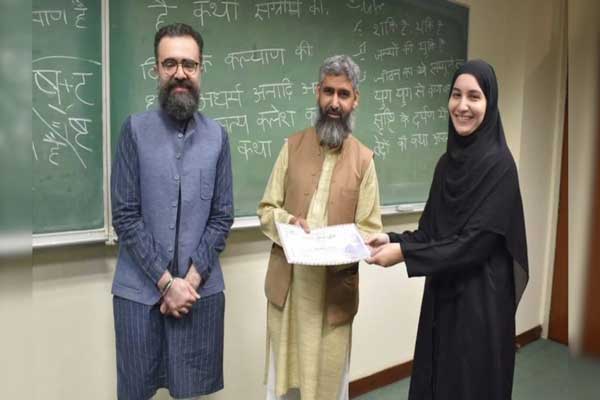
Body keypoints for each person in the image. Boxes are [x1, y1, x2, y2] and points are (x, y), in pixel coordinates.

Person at [366, 59, 529, 400]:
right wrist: (392, 239)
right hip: (444, 295)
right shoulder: (446, 164)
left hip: (481, 303)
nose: (462, 105)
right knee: (436, 379)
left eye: (474, 96)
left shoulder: (500, 166)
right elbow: (430, 232)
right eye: (456, 95)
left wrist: (404, 254)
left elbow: (474, 244)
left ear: (490, 103)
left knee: (469, 385)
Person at [111, 23, 233, 400]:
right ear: (156, 69)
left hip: (199, 294)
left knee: (192, 391)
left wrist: (189, 283)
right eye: (170, 64)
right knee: (137, 391)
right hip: (139, 295)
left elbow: (222, 216)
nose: (180, 73)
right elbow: (125, 215)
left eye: (188, 64)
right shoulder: (134, 131)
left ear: (200, 69)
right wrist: (167, 284)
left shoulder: (218, 137)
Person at [257, 55, 382, 400]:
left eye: (343, 94)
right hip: (289, 290)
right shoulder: (291, 146)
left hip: (333, 295)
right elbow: (267, 209)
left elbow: (370, 228)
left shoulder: (364, 160)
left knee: (328, 386)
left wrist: (339, 242)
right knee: (283, 384)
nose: (334, 103)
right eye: (329, 92)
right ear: (317, 92)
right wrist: (289, 222)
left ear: (355, 99)